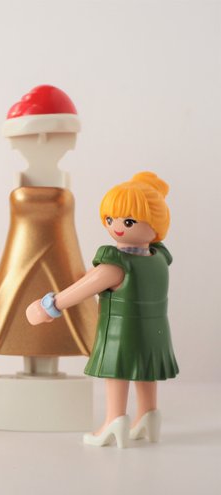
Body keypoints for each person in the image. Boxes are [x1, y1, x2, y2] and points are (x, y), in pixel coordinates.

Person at [26, 172, 178, 447]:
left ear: (155, 224)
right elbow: (91, 278)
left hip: (121, 330)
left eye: (128, 222)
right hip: (155, 331)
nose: (116, 227)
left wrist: (49, 306)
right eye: (110, 219)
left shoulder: (117, 263)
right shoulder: (159, 258)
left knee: (117, 372)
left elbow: (85, 288)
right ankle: (148, 414)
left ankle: (114, 419)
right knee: (146, 369)